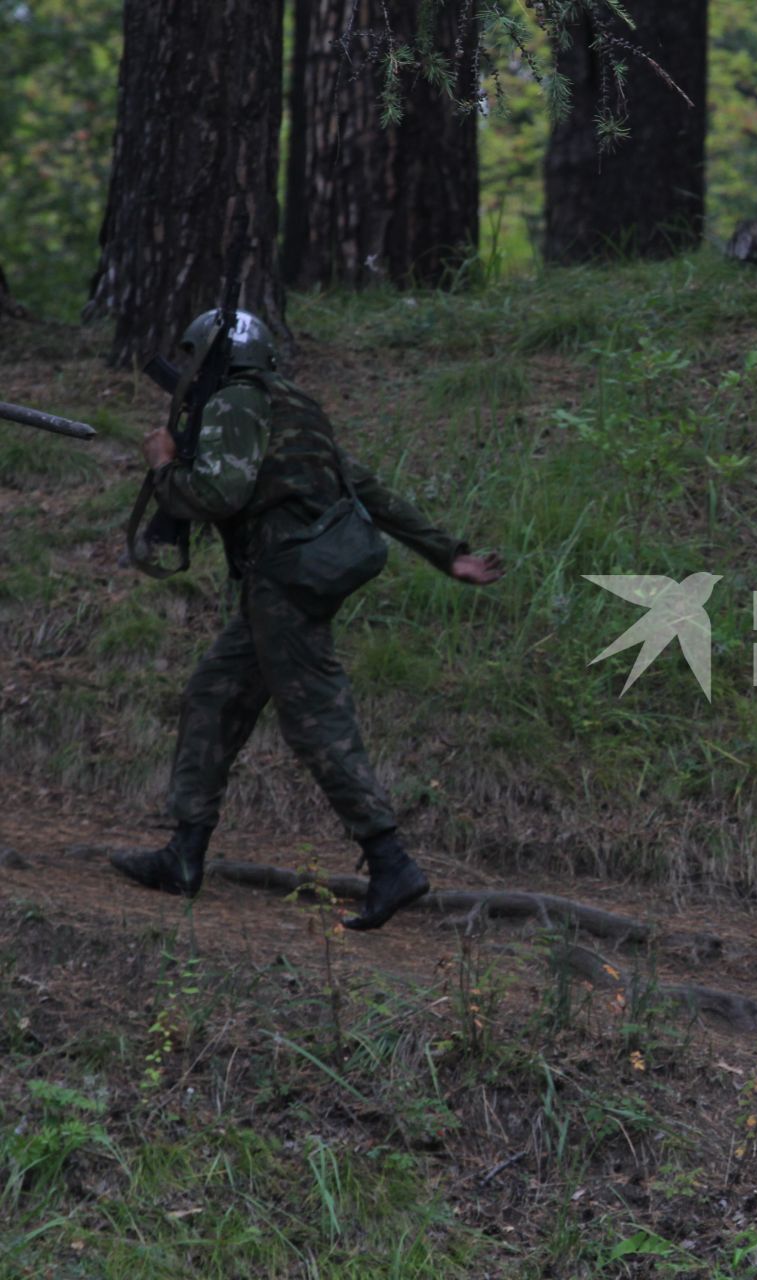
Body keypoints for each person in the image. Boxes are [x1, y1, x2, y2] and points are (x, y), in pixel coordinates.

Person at [110, 308, 504, 930]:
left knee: (317, 718)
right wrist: (445, 553)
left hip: (283, 580)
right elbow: (365, 487)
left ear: (214, 357)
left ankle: (390, 861)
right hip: (294, 577)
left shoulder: (238, 403)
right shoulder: (292, 403)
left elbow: (217, 495)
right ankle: (183, 856)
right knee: (213, 696)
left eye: (194, 357)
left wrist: (163, 464)